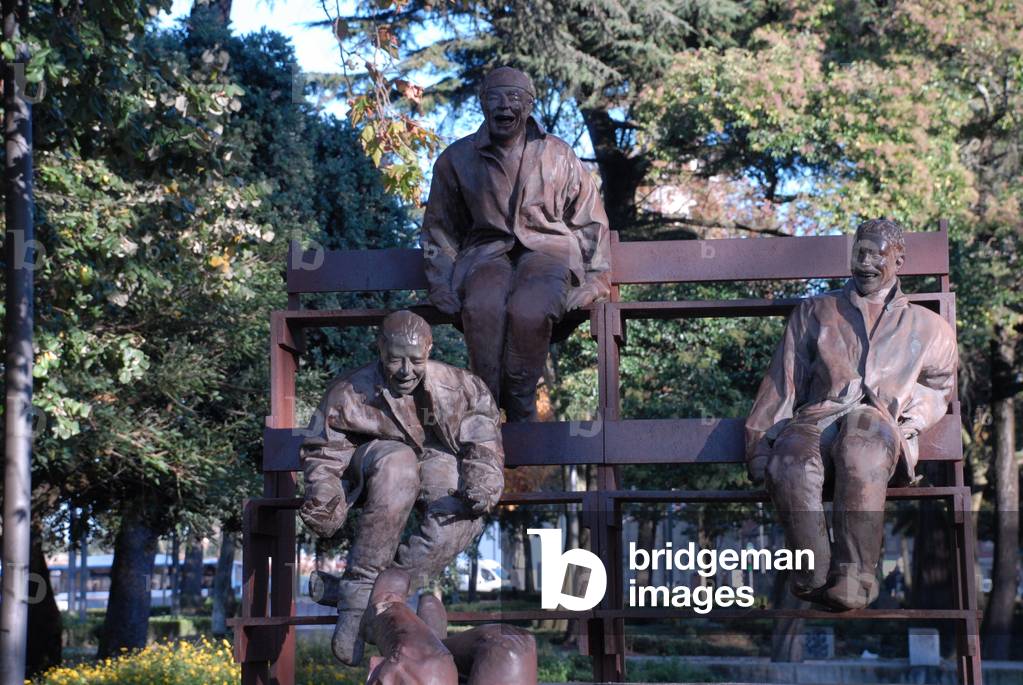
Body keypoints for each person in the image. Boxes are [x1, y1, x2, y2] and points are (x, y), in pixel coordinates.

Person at [745, 218, 958, 610]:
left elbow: (939, 388)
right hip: (817, 419)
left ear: (899, 261)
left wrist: (908, 424)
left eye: (877, 254)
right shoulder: (815, 311)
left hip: (878, 422)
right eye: (860, 252)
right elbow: (783, 382)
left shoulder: (930, 328)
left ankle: (855, 577)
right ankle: (811, 570)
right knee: (789, 461)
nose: (865, 262)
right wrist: (759, 444)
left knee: (862, 443)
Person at [299, 310, 504, 665]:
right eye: (395, 360)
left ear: (430, 348)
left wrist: (482, 480)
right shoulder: (350, 391)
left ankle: (355, 591)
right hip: (374, 462)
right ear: (380, 350)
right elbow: (324, 451)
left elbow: (483, 435)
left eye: (415, 360)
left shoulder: (460, 387)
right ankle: (357, 599)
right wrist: (323, 492)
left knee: (462, 514)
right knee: (399, 463)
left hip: (439, 460)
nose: (406, 371)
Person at [421, 66, 611, 421]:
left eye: (513, 98)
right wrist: (440, 283)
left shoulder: (557, 154)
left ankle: (521, 404)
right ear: (482, 104)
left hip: (548, 252)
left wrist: (596, 278)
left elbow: (588, 218)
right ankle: (486, 409)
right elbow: (440, 229)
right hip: (485, 255)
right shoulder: (457, 158)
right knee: (482, 307)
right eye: (495, 97)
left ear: (529, 105)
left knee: (530, 309)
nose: (504, 106)